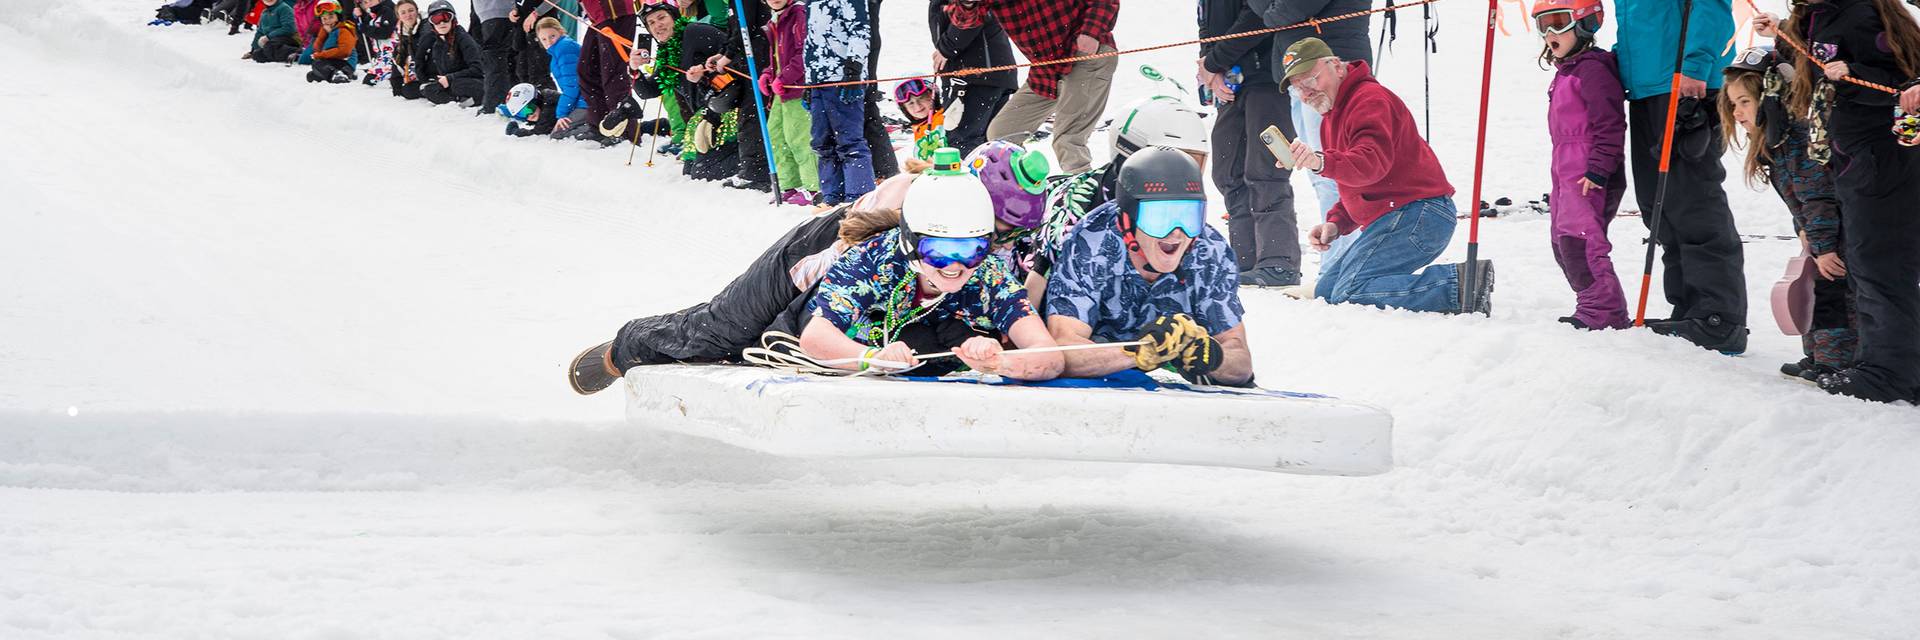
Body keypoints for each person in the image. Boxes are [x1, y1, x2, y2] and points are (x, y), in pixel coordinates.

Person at [567, 148, 1063, 393]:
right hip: (823, 253)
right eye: (996, 228)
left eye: (1005, 234)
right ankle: (626, 346)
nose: (999, 242)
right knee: (726, 329)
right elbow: (845, 265)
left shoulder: (975, 246)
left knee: (754, 348)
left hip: (877, 285)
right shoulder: (910, 204)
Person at [1757, 0, 1920, 402]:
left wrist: (1853, 75)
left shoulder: (1862, 13)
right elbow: (1821, 63)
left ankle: (1891, 372)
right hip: (1853, 158)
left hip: (1882, 159)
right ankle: (1884, 363)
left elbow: (1904, 81)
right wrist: (1783, 34)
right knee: (1867, 265)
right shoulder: (1820, 16)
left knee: (1880, 264)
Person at [1281, 38, 1493, 315]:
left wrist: (1320, 162)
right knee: (1328, 291)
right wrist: (1336, 223)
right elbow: (1356, 183)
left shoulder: (1369, 99)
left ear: (1335, 66)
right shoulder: (1333, 117)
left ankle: (1458, 284)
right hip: (1397, 216)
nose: (1306, 93)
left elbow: (1370, 164)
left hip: (1420, 214)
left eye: (1310, 81)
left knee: (1350, 291)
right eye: (1298, 89)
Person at [1042, 146, 1254, 386]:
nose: (1176, 233)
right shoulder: (1092, 241)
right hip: (1100, 370)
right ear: (1127, 220)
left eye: (1189, 216)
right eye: (1159, 218)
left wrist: (1209, 354)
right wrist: (1139, 351)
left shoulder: (1211, 251)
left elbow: (1242, 366)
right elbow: (1064, 349)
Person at [1615, 0, 1748, 353]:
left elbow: (1711, 6)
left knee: (1692, 198)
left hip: (1685, 82)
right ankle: (1690, 307)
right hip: (1646, 87)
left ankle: (1719, 316)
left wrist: (1696, 64)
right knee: (1660, 206)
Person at [1719, 47, 1855, 382]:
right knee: (1817, 283)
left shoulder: (1797, 138)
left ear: (1770, 98)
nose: (1737, 113)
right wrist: (1804, 232)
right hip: (1822, 229)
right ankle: (1818, 354)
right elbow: (1800, 201)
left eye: (1745, 102)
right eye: (1733, 104)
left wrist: (1824, 247)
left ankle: (1835, 359)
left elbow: (1818, 197)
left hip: (1842, 228)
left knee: (1832, 289)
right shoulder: (1775, 142)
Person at [1016, 95, 1212, 303]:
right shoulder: (1078, 209)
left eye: (1194, 162)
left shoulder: (1184, 216)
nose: (1183, 175)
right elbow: (1034, 291)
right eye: (1171, 162)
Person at [1532, 0, 1630, 330]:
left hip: (1588, 170)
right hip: (1564, 169)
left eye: (1558, 22)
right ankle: (1592, 304)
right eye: (1543, 25)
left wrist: (1598, 169)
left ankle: (1604, 311)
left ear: (1585, 23)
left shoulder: (1593, 70)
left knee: (1581, 240)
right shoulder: (1568, 71)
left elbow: (1610, 124)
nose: (1549, 33)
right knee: (1562, 243)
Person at [1250, 0, 1372, 265]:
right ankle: (1339, 263)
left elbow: (1284, 12)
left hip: (1327, 69)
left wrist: (1273, 12)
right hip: (1305, 70)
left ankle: (1340, 267)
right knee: (1321, 172)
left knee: (1333, 170)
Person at [1200, 0, 1300, 288]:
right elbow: (1206, 24)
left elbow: (1258, 17)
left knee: (1266, 169)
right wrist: (1211, 68)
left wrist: (1213, 61)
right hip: (1232, 78)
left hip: (1267, 75)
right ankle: (1245, 257)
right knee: (1227, 169)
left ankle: (1279, 261)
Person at [978, 0, 1119, 174]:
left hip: (1086, 55)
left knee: (1068, 140)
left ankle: (1083, 191)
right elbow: (965, 19)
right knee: (1002, 134)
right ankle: (1023, 189)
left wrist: (1091, 32)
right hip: (1047, 69)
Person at [628, 21, 747, 181]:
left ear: (674, 19)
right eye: (651, 23)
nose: (657, 25)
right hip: (702, 117)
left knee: (702, 172)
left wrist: (705, 75)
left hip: (728, 109)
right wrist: (634, 70)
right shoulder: (667, 55)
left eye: (661, 17)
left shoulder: (695, 31)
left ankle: (755, 159)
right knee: (691, 170)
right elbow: (648, 91)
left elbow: (735, 54)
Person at [805, 0, 879, 205]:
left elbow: (860, 30)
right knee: (822, 142)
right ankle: (832, 196)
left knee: (849, 141)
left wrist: (854, 67)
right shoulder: (810, 2)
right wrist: (808, 81)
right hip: (818, 80)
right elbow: (810, 42)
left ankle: (858, 197)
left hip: (842, 77)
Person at [929, 0, 1018, 156]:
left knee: (963, 145)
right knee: (996, 146)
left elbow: (970, 11)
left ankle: (971, 180)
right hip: (994, 72)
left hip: (972, 77)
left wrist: (946, 47)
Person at [759, 0, 823, 205]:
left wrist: (785, 77)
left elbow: (805, 53)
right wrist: (768, 73)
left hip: (796, 88)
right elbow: (777, 57)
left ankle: (814, 187)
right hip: (780, 90)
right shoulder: (776, 18)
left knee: (799, 136)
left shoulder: (799, 14)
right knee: (775, 134)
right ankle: (789, 184)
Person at [576, 0, 640, 137]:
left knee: (614, 75)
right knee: (587, 70)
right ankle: (601, 126)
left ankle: (624, 132)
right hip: (597, 15)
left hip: (614, 12)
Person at [415, 0, 486, 106]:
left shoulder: (463, 38)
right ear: (431, 23)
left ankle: (469, 99)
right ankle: (459, 100)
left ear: (453, 20)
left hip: (476, 82)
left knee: (457, 85)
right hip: (453, 82)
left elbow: (478, 69)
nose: (442, 23)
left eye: (446, 17)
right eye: (436, 19)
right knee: (428, 89)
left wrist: (450, 78)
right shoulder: (438, 43)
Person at [530, 18, 591, 139]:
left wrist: (561, 114)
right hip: (584, 99)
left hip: (587, 101)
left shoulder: (564, 48)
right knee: (558, 130)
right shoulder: (559, 50)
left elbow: (572, 86)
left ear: (561, 31)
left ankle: (600, 129)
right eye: (544, 39)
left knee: (558, 134)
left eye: (552, 36)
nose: (549, 42)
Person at [893, 78, 950, 172]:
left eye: (921, 98)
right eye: (910, 103)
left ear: (933, 96)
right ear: (904, 109)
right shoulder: (919, 130)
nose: (917, 106)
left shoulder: (945, 117)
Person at [300, 0, 360, 84]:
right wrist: (323, 33)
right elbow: (317, 48)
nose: (328, 21)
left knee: (318, 63)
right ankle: (335, 74)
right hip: (332, 62)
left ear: (338, 16)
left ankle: (342, 74)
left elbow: (344, 51)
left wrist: (320, 55)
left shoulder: (344, 30)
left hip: (345, 62)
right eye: (324, 18)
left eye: (331, 17)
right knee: (313, 72)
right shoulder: (327, 30)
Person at [389, 0, 429, 98]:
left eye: (411, 10)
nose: (408, 15)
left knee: (409, 91)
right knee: (407, 90)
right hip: (422, 72)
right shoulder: (404, 31)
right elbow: (398, 57)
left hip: (437, 71)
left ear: (417, 11)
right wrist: (396, 85)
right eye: (403, 12)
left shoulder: (427, 26)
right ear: (398, 16)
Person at [354, 0, 398, 86]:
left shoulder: (388, 10)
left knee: (384, 82)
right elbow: (364, 40)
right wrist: (358, 21)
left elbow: (385, 33)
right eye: (364, 2)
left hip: (393, 55)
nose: (368, 3)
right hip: (380, 57)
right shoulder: (371, 15)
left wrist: (366, 29)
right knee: (368, 81)